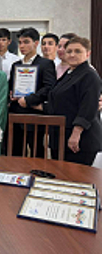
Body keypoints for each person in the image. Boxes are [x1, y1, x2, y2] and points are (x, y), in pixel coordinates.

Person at [34, 37, 102, 165]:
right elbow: (60, 102)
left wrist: (76, 134)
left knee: (76, 181)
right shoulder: (70, 73)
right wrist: (35, 105)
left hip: (79, 139)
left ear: (88, 53)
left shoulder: (89, 75)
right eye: (69, 51)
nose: (72, 54)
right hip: (61, 136)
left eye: (78, 51)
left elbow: (88, 108)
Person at [9, 27, 56, 158]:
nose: (22, 46)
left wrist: (29, 100)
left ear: (36, 43)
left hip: (34, 115)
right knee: (15, 153)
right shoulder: (16, 65)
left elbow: (49, 88)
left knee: (36, 153)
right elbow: (11, 87)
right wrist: (11, 95)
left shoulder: (46, 64)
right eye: (20, 42)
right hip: (15, 115)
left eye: (26, 42)